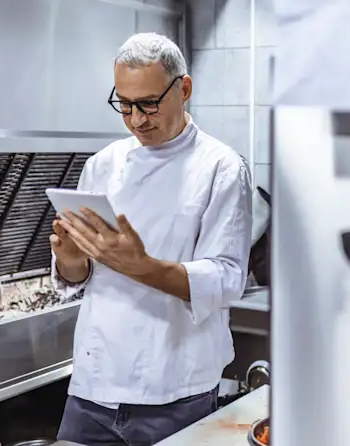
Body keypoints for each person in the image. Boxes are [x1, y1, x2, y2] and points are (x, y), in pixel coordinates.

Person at [51, 32, 253, 445]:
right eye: (124, 106)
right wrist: (70, 258)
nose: (137, 119)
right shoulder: (102, 165)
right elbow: (78, 277)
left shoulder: (222, 168)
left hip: (174, 389)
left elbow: (227, 278)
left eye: (148, 104)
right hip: (94, 385)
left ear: (185, 88)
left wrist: (141, 266)